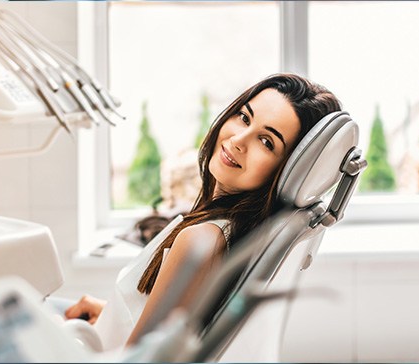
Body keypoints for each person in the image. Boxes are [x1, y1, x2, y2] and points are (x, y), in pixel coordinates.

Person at [63, 73, 342, 351]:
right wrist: (110, 315)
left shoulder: (202, 241)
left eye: (266, 142)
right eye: (244, 117)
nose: (238, 140)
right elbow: (175, 327)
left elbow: (138, 360)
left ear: (286, 171)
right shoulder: (231, 231)